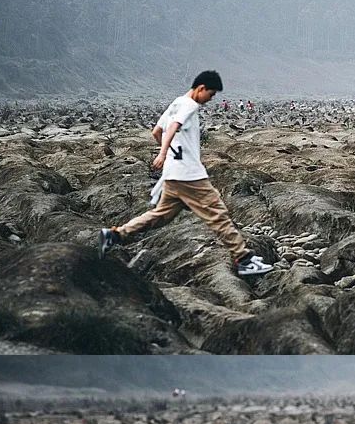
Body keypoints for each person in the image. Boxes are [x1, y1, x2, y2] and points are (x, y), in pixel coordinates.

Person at [98, 70, 272, 277]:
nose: (211, 98)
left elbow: (156, 131)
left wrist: (169, 155)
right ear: (201, 88)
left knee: (160, 216)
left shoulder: (176, 103)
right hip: (190, 175)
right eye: (211, 93)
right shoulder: (189, 105)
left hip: (174, 174)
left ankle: (115, 235)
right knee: (218, 214)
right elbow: (172, 127)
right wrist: (163, 153)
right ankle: (244, 259)